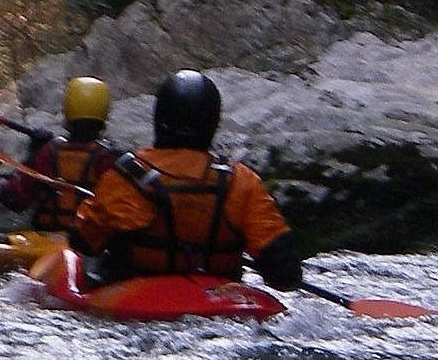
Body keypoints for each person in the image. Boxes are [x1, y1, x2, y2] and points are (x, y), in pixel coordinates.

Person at [71, 69, 303, 290]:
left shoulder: (128, 175)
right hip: (219, 301)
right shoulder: (241, 182)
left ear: (160, 117)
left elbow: (83, 241)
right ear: (212, 122)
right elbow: (285, 274)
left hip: (139, 298)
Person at [0, 76, 121, 231]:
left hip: (48, 244)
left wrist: (33, 153)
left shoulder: (48, 153)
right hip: (89, 246)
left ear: (67, 112)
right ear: (104, 115)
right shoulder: (109, 160)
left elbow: (10, 197)